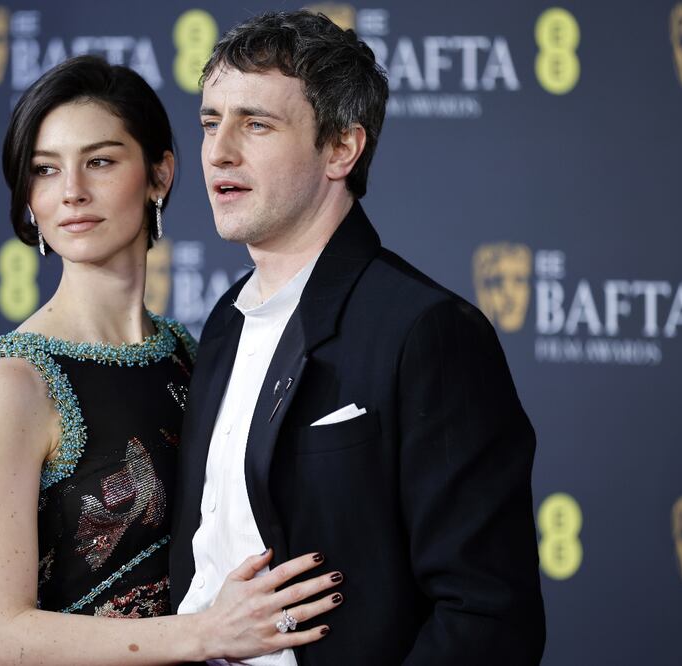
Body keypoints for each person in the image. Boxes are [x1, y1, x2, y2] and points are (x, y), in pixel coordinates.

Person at [171, 12, 545, 665]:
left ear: (341, 148)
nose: (219, 151)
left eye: (255, 124)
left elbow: (487, 618)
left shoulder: (427, 331)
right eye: (210, 122)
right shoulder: (226, 319)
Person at [0, 55, 343, 665]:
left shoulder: (196, 353)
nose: (72, 192)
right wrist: (206, 633)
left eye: (101, 161)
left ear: (160, 174)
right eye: (45, 170)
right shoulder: (11, 383)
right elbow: (1, 639)